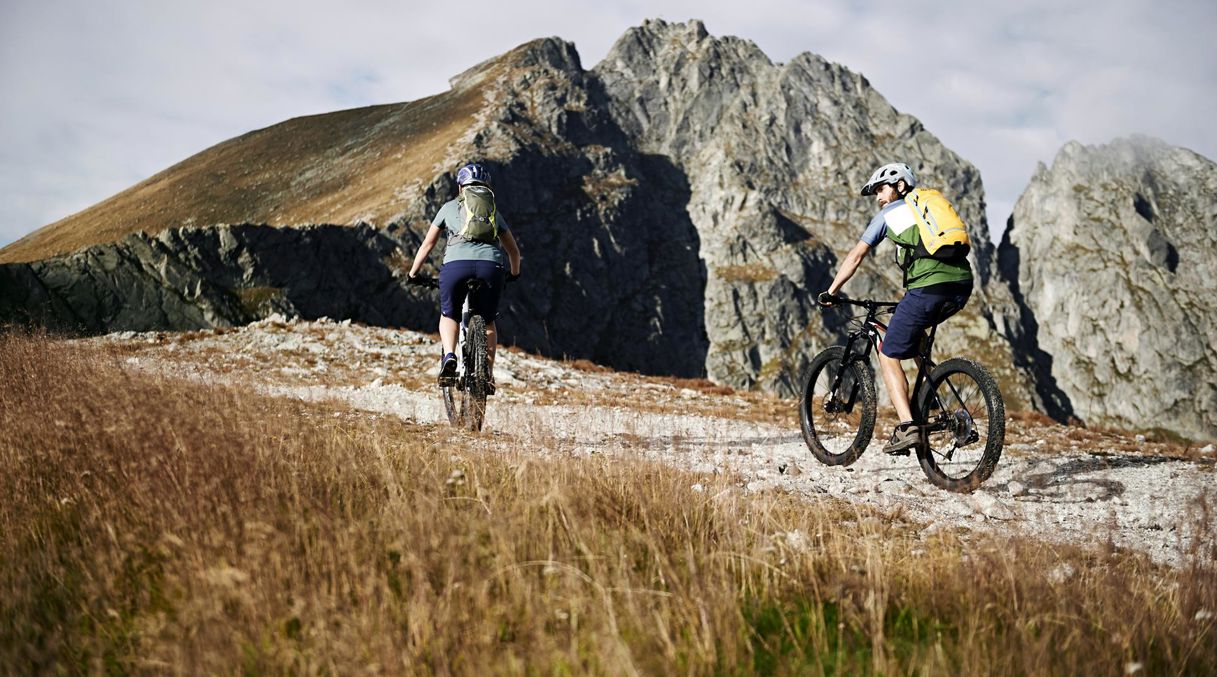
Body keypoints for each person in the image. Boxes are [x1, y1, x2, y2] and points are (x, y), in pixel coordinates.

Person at [819, 162, 973, 454]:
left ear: (900, 185)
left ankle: (907, 426)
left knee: (888, 352)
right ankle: (949, 411)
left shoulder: (889, 214)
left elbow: (855, 256)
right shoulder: (927, 210)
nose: (878, 197)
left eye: (881, 189)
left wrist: (831, 291)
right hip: (961, 286)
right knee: (917, 343)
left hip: (927, 288)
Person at [407, 162, 522, 390]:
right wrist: (514, 273)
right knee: (488, 321)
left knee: (449, 315)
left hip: (455, 266)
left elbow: (428, 244)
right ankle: (487, 375)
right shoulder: (492, 212)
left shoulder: (449, 207)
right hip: (491, 267)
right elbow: (514, 251)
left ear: (461, 187)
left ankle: (450, 355)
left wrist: (413, 273)